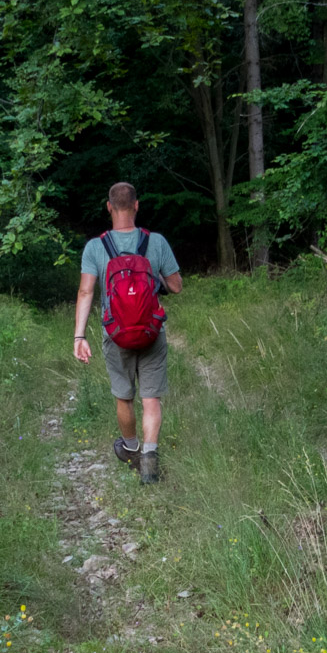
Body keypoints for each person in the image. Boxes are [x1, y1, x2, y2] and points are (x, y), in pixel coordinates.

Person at [74, 182, 182, 484]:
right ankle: (150, 457)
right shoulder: (156, 242)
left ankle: (131, 446)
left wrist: (79, 337)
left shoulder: (96, 247)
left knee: (124, 396)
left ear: (109, 207)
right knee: (151, 399)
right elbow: (176, 285)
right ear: (136, 205)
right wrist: (154, 277)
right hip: (151, 332)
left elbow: (85, 291)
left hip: (115, 334)